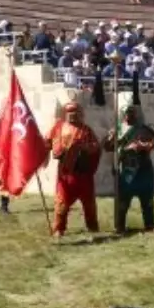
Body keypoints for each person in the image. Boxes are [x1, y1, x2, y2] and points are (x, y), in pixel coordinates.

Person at [104, 103, 154, 233]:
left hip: (144, 169)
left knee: (147, 200)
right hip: (127, 170)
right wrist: (112, 139)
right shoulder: (117, 130)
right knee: (123, 201)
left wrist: (147, 146)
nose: (129, 115)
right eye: (127, 113)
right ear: (123, 115)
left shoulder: (144, 129)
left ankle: (150, 225)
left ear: (136, 114)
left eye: (131, 112)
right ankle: (120, 226)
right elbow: (107, 147)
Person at [44, 98, 102, 238]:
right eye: (69, 112)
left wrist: (85, 148)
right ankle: (59, 228)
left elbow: (96, 147)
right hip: (66, 174)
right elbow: (49, 144)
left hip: (84, 174)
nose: (72, 114)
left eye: (75, 112)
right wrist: (61, 149)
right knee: (61, 204)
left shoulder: (86, 130)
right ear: (65, 114)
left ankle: (92, 226)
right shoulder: (58, 128)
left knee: (89, 204)